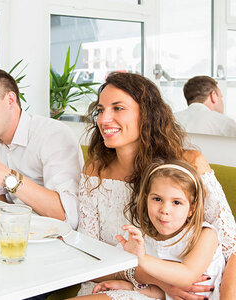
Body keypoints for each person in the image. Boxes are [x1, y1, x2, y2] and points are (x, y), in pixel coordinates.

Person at [76, 72, 236, 299]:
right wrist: (157, 283)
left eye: (118, 108)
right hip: (129, 286)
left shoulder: (187, 166)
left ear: (147, 114)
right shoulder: (95, 171)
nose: (103, 119)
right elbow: (89, 255)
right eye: (100, 110)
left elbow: (232, 251)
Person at [75, 160, 224, 300]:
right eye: (157, 199)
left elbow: (186, 277)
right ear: (146, 199)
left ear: (191, 208)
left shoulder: (205, 235)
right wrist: (129, 286)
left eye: (176, 202)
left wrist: (142, 259)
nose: (165, 210)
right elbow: (160, 290)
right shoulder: (144, 237)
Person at [0, 69, 83, 230]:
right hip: (15, 230)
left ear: (10, 100)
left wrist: (7, 177)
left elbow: (69, 216)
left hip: (55, 239)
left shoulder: (53, 135)